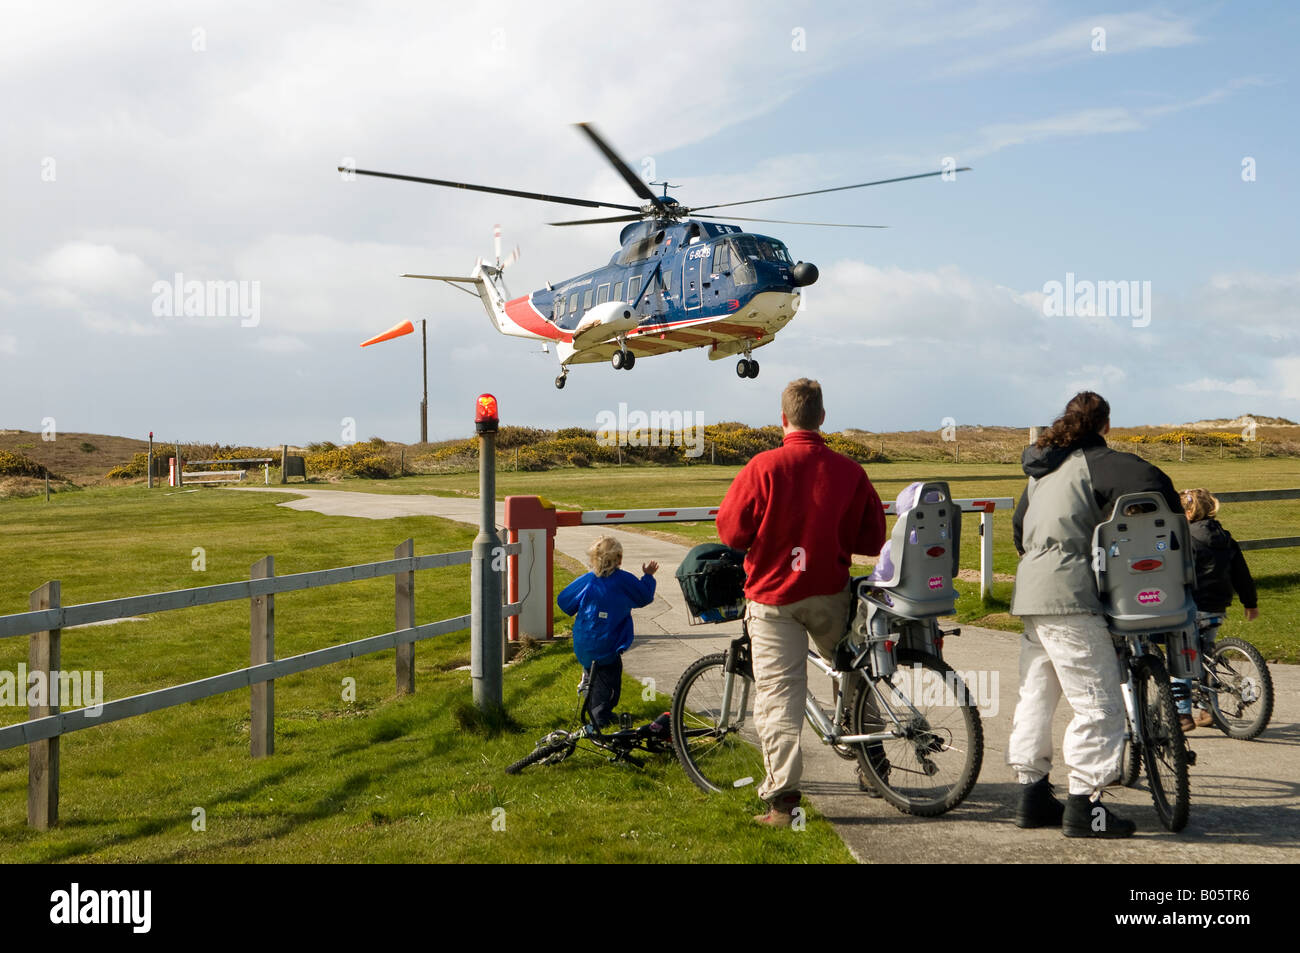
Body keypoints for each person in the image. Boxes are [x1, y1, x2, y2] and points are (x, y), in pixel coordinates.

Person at [1009, 391, 1181, 839]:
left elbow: (1018, 530)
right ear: (1105, 425)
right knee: (1098, 705)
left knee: (1037, 696)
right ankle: (1085, 807)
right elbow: (1157, 486)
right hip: (1071, 598)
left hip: (1032, 593)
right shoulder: (1100, 463)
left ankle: (1031, 796)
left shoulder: (1041, 473)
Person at [717, 378, 886, 827]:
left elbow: (732, 534)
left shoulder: (763, 467)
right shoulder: (850, 471)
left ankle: (783, 804)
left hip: (773, 598)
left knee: (779, 696)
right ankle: (873, 763)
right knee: (853, 672)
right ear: (822, 419)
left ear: (783, 419)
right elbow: (872, 539)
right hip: (830, 592)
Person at [1179, 488, 1259, 730]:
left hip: (1192, 605)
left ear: (1189, 512)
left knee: (1182, 658)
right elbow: (1241, 573)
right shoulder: (1225, 537)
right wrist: (1250, 602)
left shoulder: (1185, 539)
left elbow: (1178, 573)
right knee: (1205, 657)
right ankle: (1207, 710)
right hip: (1217, 607)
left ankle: (1182, 714)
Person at [557, 536, 657, 728]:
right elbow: (644, 596)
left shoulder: (587, 581)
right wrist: (648, 576)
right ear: (619, 558)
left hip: (584, 643)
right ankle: (598, 720)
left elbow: (564, 601)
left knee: (592, 675)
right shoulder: (623, 581)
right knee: (608, 684)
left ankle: (591, 704)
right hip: (608, 646)